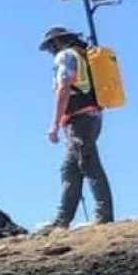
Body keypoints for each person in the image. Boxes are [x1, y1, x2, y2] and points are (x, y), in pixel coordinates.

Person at [37, 25, 114, 230]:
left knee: (89, 164)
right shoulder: (82, 55)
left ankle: (103, 216)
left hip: (79, 119)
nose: (50, 51)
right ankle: (62, 220)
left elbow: (64, 86)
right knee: (70, 168)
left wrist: (54, 123)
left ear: (56, 43)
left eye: (50, 47)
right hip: (92, 116)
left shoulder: (65, 56)